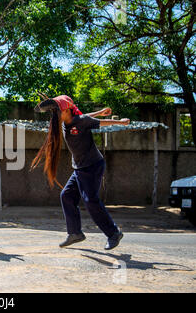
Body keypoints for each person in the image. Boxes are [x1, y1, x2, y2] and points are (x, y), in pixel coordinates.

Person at [33, 94, 130, 250]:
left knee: (90, 200)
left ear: (67, 111)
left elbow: (98, 122)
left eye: (58, 112)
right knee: (66, 196)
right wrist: (99, 111)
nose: (56, 116)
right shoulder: (67, 121)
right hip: (79, 168)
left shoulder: (80, 121)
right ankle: (75, 233)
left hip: (93, 165)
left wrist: (120, 122)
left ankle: (113, 233)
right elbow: (87, 116)